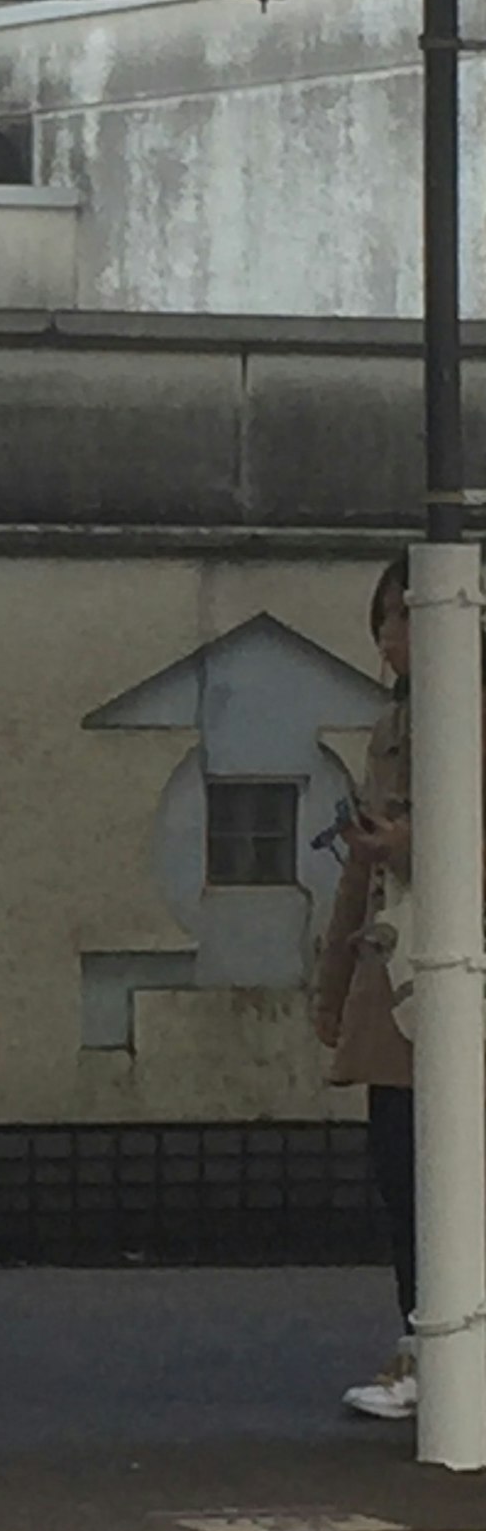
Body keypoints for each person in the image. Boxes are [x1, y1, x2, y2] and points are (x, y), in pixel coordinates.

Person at [318, 560, 418, 1420]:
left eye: (408, 619)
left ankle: (446, 1347)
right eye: (384, 620)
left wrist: (410, 842)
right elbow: (361, 872)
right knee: (402, 1157)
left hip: (453, 974)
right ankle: (426, 1341)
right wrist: (333, 986)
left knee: (436, 1162)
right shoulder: (390, 726)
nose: (391, 641)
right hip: (398, 972)